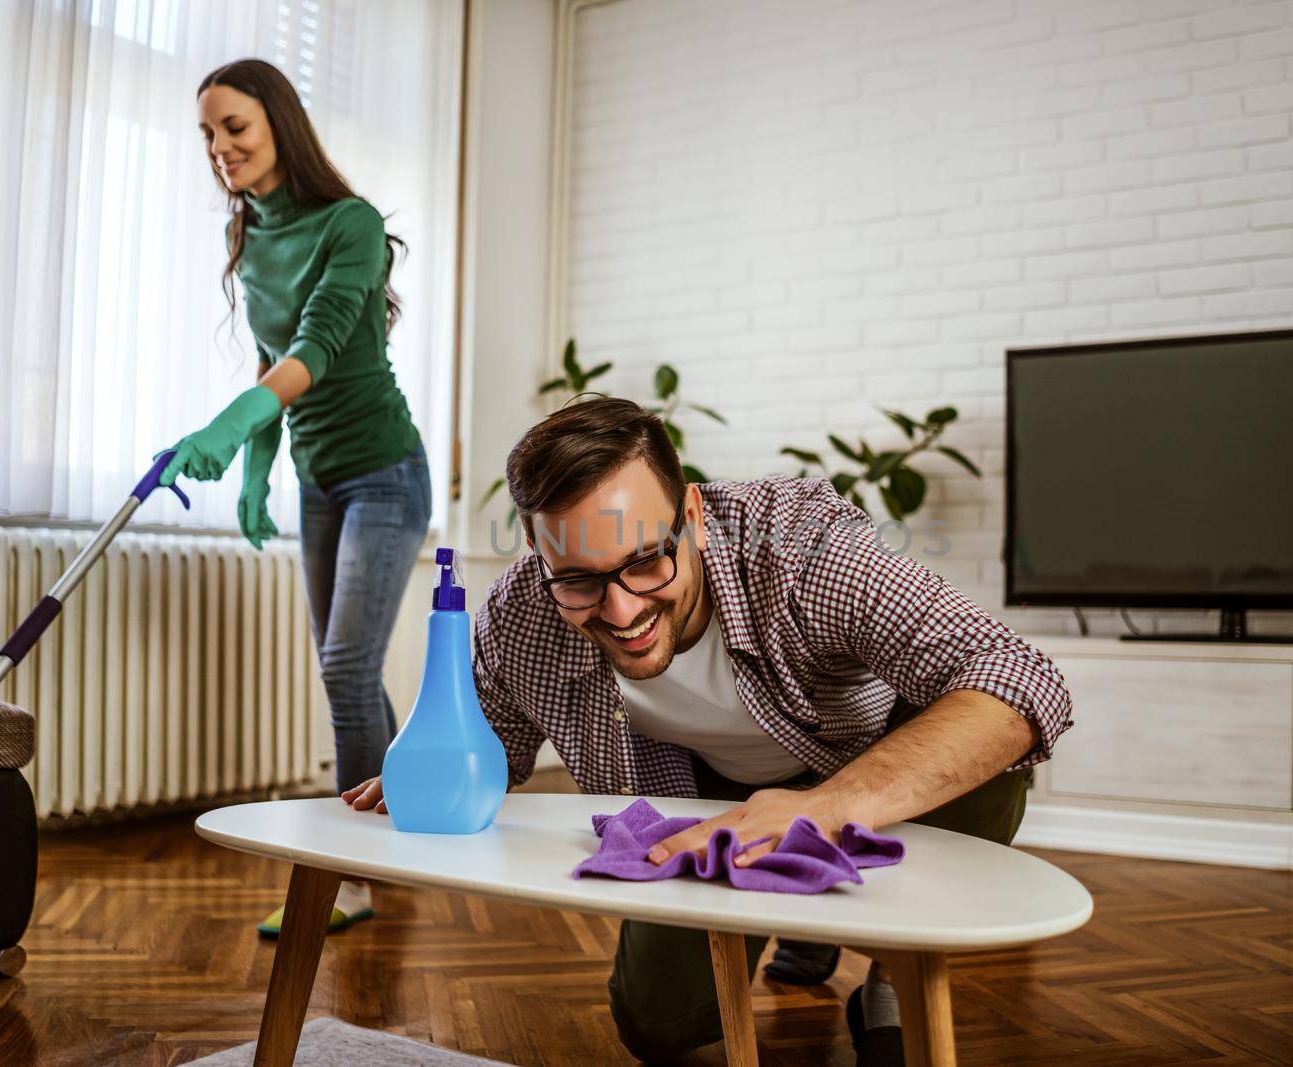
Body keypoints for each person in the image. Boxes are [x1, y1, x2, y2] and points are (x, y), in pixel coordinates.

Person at [344, 397, 1073, 1065]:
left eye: (645, 561)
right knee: (656, 1025)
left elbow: (1019, 676)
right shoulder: (523, 615)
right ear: (539, 553)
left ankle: (887, 972)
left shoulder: (801, 552)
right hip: (702, 797)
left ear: (691, 513)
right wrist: (428, 768)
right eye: (579, 580)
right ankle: (799, 911)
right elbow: (491, 741)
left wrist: (825, 808)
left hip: (858, 769)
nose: (622, 611)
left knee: (990, 758)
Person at [168, 58, 429, 937]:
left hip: (386, 473)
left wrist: (236, 418)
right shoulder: (250, 238)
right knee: (350, 671)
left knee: (344, 668)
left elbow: (316, 345)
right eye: (208, 133)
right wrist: (257, 467)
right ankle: (405, 808)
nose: (220, 148)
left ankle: (350, 873)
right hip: (318, 479)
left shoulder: (348, 223)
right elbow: (272, 361)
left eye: (234, 127)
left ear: (279, 123)